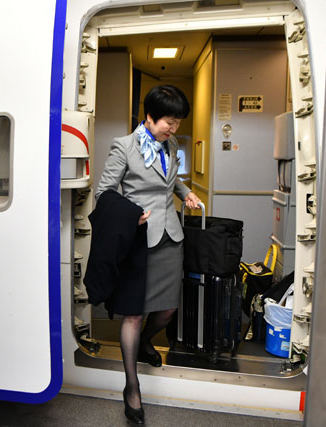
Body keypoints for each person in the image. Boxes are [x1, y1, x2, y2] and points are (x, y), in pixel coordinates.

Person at [95, 85, 201, 424]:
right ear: (150, 117)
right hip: (139, 239)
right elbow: (103, 192)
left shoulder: (171, 144)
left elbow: (170, 180)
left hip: (171, 236)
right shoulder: (124, 147)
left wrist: (185, 192)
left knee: (167, 310)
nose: (174, 129)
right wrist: (131, 215)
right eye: (169, 122)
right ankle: (132, 386)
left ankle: (142, 343)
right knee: (133, 314)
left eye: (178, 123)